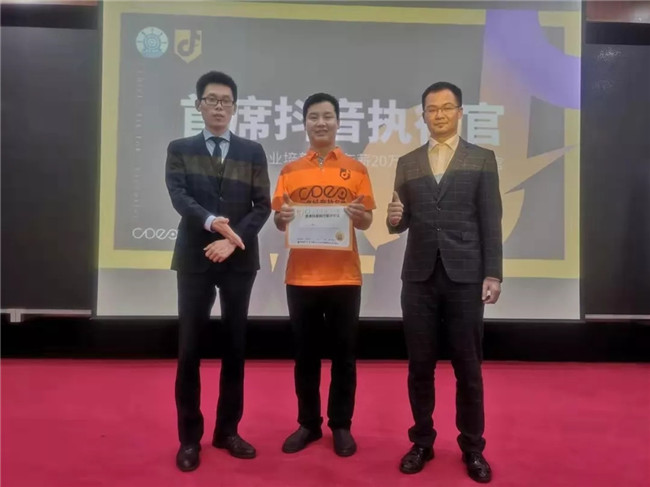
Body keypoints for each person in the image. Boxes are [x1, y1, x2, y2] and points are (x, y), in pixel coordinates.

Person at [387, 81, 502, 482]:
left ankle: (473, 447)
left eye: (446, 108)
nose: (439, 114)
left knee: (468, 367)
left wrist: (493, 272)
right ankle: (422, 441)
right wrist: (394, 219)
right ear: (423, 115)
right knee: (419, 366)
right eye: (432, 109)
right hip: (418, 277)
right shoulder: (408, 162)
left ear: (459, 112)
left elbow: (490, 219)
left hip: (465, 277)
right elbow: (400, 220)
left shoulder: (481, 158)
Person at [165, 71, 271, 472]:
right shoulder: (180, 149)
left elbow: (263, 205)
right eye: (212, 100)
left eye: (226, 101)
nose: (219, 107)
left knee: (235, 346)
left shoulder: (252, 151)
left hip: (238, 259)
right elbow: (179, 196)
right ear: (199, 105)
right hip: (194, 257)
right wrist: (212, 223)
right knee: (189, 347)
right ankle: (189, 438)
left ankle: (228, 431)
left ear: (235, 107)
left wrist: (231, 239)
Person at [272, 93, 376, 457]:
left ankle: (341, 425)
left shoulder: (356, 169)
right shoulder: (289, 170)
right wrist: (282, 218)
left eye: (327, 116)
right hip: (301, 278)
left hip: (344, 277)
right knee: (306, 356)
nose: (321, 122)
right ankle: (308, 423)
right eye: (313, 116)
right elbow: (279, 218)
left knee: (344, 356)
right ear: (305, 123)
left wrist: (359, 216)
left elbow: (367, 220)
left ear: (337, 122)